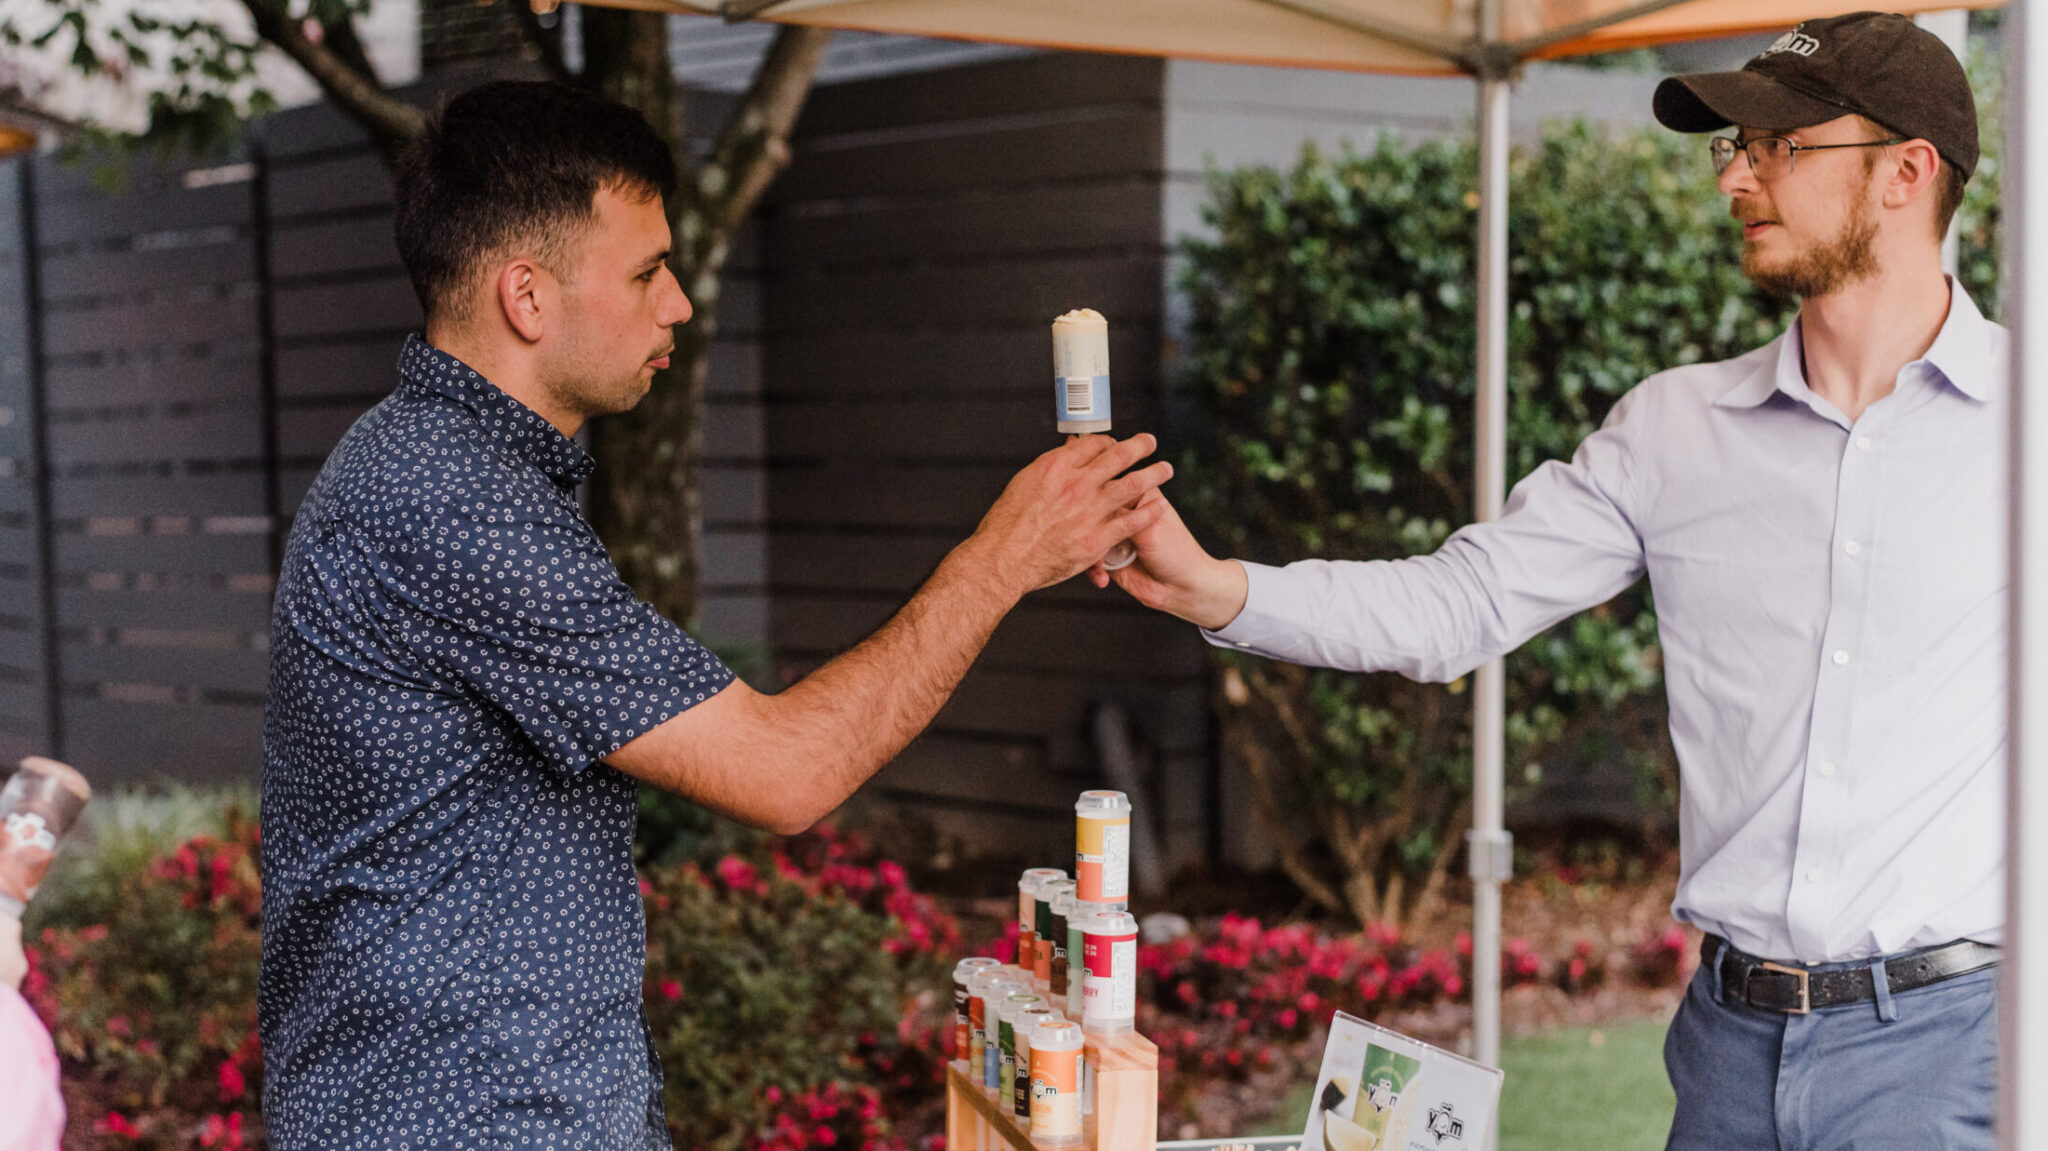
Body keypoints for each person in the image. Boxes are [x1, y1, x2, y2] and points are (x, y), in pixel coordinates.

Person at [1104, 13, 1999, 1150]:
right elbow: (1458, 605)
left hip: (1948, 1049)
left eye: (1779, 146)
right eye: (1734, 146)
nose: (1735, 177)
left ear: (1904, 173)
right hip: (1726, 1050)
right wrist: (1215, 586)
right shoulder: (1673, 430)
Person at [258, 81, 1169, 1150]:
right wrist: (1003, 556)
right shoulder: (456, 505)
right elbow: (786, 772)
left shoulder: (433, 468)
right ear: (527, 297)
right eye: (646, 271)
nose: (679, 305)